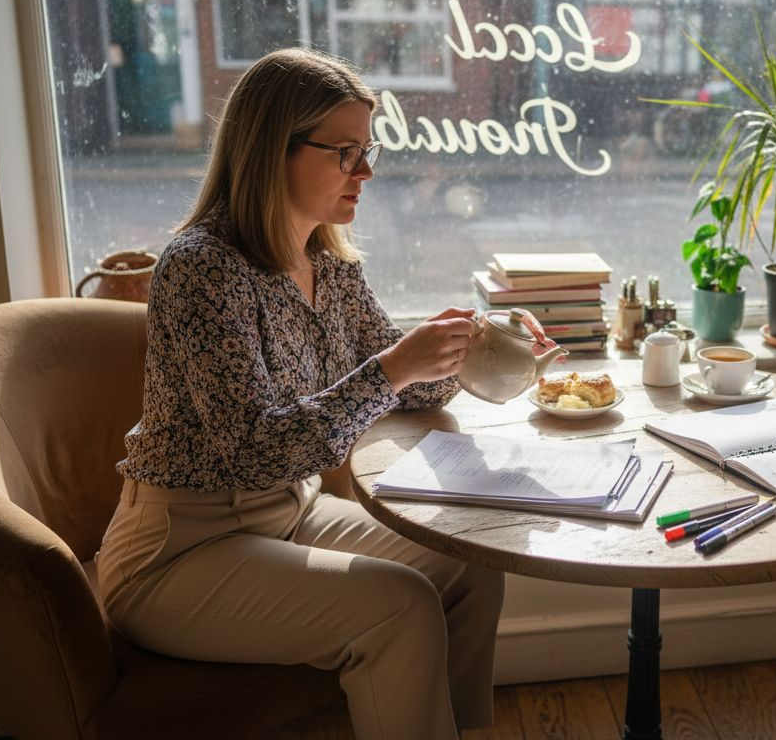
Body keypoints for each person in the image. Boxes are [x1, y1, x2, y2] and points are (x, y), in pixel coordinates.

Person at [95, 48, 509, 740]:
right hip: (178, 552)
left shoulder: (328, 261)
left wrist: (474, 344)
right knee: (399, 604)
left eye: (366, 151)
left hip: (288, 517)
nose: (367, 172)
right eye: (346, 153)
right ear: (271, 151)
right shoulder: (203, 269)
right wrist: (389, 369)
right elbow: (259, 450)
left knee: (467, 561)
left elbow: (407, 389)